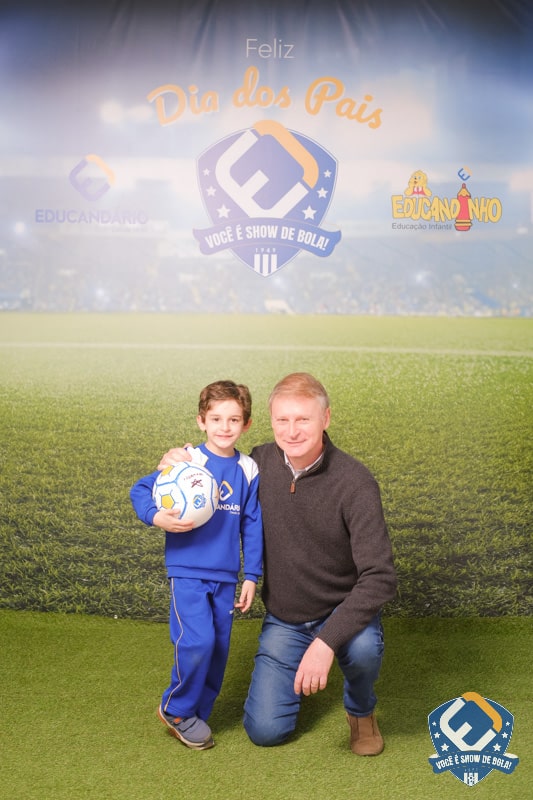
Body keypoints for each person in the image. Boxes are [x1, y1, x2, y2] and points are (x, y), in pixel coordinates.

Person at [159, 372, 396, 755]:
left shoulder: (355, 482)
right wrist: (176, 461)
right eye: (282, 419)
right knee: (265, 731)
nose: (292, 430)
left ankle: (360, 710)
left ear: (326, 418)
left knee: (364, 648)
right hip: (286, 620)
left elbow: (380, 577)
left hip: (341, 612)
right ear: (269, 421)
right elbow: (212, 467)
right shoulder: (256, 465)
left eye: (303, 419)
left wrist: (326, 642)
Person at [130, 380, 263, 751]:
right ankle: (176, 709)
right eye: (216, 418)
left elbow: (252, 523)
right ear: (201, 421)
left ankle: (196, 714)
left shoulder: (249, 469)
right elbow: (141, 489)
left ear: (247, 424)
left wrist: (252, 575)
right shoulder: (187, 460)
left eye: (233, 419)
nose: (224, 427)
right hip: (188, 570)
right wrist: (156, 516)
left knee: (218, 647)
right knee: (197, 641)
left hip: (226, 575)